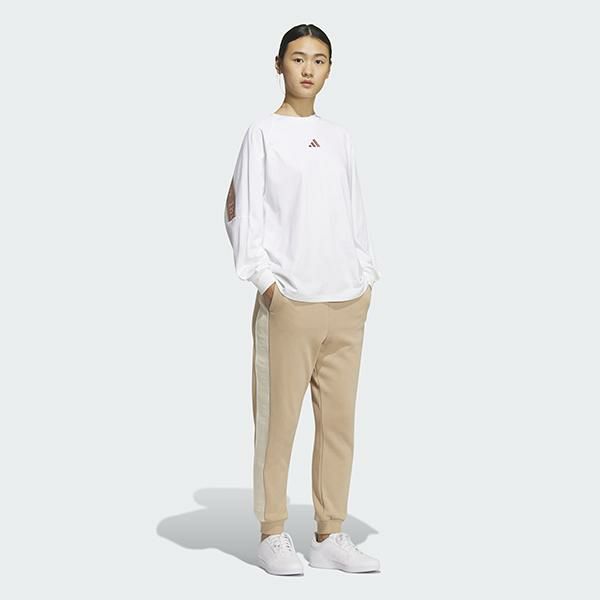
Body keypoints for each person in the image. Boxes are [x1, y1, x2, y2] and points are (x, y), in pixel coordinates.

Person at [224, 23, 382, 576]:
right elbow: (239, 212)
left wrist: (365, 275)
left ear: (330, 69)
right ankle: (272, 532)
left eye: (319, 59)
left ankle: (329, 533)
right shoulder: (263, 133)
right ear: (279, 65)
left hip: (346, 301)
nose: (308, 68)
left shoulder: (339, 137)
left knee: (339, 425)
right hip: (289, 302)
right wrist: (267, 283)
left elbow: (353, 211)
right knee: (278, 424)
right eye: (298, 58)